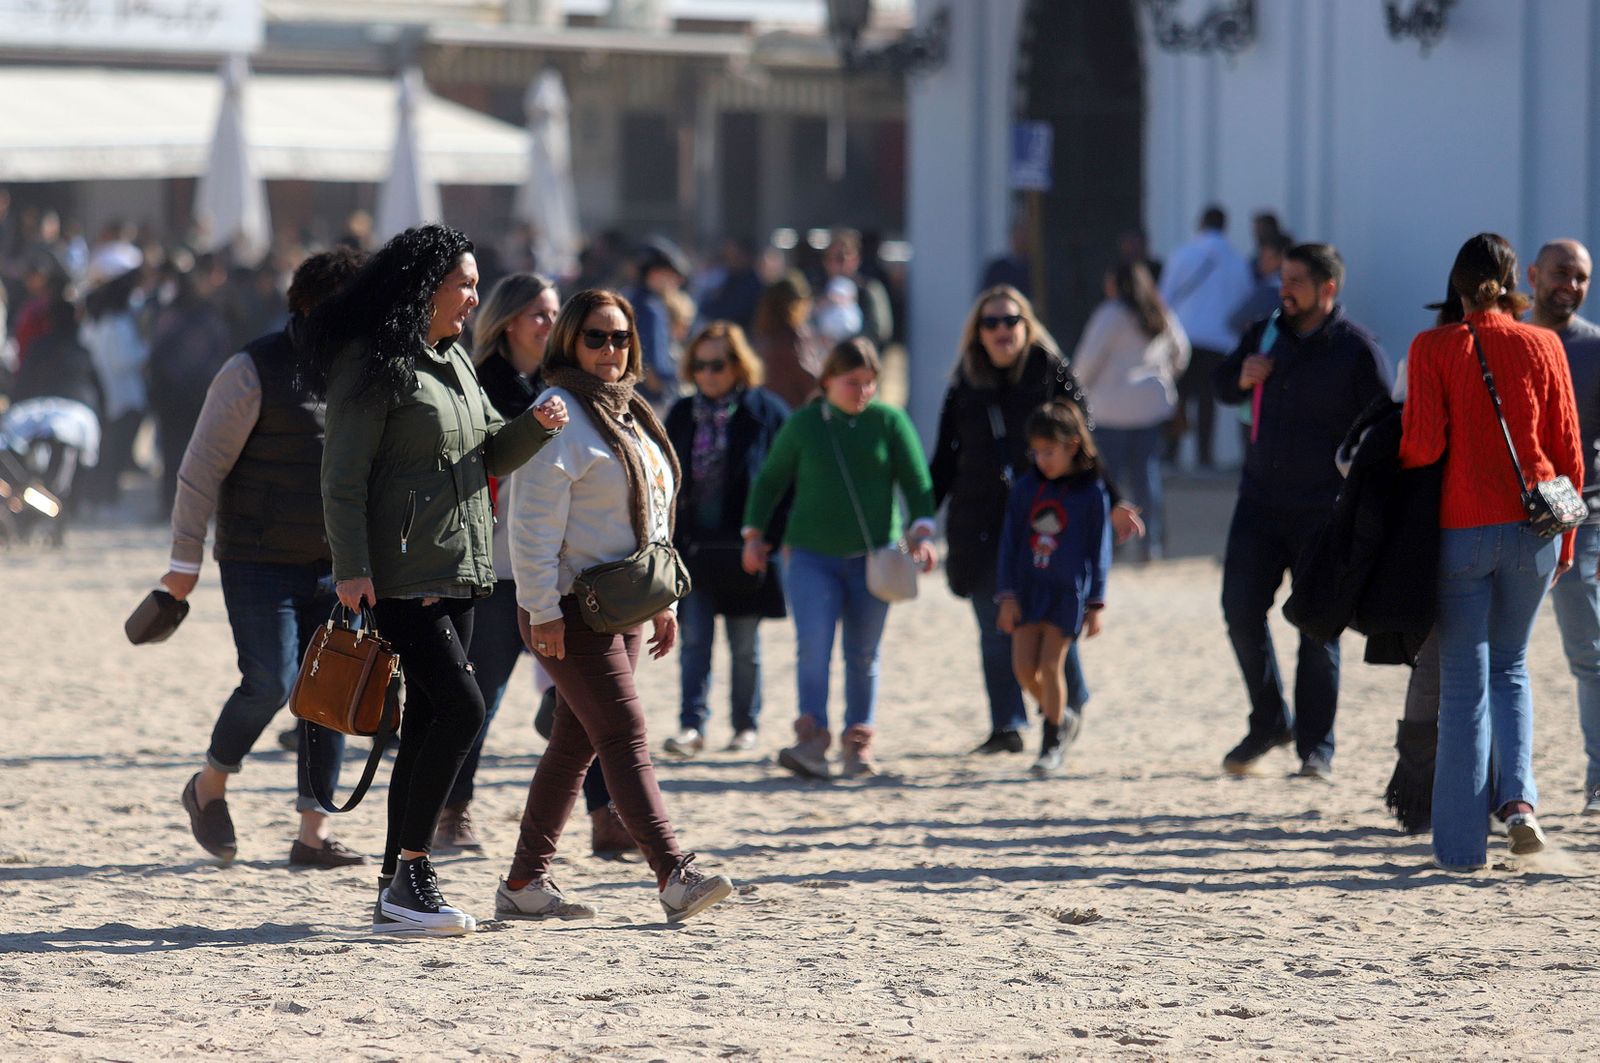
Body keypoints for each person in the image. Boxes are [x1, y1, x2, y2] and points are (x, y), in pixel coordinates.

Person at [305, 224, 569, 936]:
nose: (475, 297)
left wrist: (537, 424)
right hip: (398, 572)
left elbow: (490, 452)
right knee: (463, 708)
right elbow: (342, 478)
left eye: (479, 285)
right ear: (425, 287)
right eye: (465, 284)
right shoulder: (373, 363)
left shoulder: (455, 359)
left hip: (462, 567)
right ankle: (414, 869)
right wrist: (353, 567)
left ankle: (396, 883)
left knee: (426, 726)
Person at [502, 288, 735, 924]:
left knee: (576, 745)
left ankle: (524, 881)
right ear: (569, 342)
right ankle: (673, 872)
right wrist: (541, 609)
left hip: (624, 601)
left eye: (621, 337)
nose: (611, 349)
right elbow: (530, 526)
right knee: (624, 734)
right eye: (596, 338)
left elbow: (653, 513)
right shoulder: (556, 412)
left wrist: (662, 600)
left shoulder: (630, 411)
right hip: (570, 605)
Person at [166, 247, 369, 869]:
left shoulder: (365, 375)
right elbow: (199, 471)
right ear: (311, 305)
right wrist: (183, 562)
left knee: (331, 692)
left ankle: (312, 837)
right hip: (257, 559)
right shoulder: (252, 369)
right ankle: (208, 788)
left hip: (337, 566)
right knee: (272, 681)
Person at [1399, 232, 1583, 870]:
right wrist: (1568, 540)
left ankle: (1457, 848)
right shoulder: (1544, 344)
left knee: (1465, 688)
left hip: (1463, 529)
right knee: (1512, 669)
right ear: (1514, 282)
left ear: (1455, 283)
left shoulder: (1433, 346)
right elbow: (1568, 453)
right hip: (1536, 526)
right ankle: (1522, 804)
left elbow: (1420, 447)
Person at [930, 285, 1141, 755]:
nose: (1002, 330)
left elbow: (1084, 447)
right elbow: (943, 460)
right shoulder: (964, 383)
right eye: (991, 323)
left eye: (1011, 321)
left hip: (1050, 520)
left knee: (1050, 624)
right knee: (994, 625)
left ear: (1027, 326)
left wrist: (1114, 499)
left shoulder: (1053, 375)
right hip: (980, 522)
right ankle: (1007, 725)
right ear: (977, 333)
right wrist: (920, 521)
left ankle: (1070, 703)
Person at [1212, 243, 1391, 779]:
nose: (1283, 290)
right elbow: (1220, 386)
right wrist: (1242, 375)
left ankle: (1317, 749)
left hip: (1323, 511)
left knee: (1318, 629)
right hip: (1259, 502)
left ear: (1328, 289)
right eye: (1282, 279)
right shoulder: (1264, 333)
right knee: (1239, 610)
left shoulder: (1357, 350)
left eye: (1295, 281)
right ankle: (1269, 719)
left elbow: (1383, 429)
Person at [743, 337, 938, 779]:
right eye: (853, 383)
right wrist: (754, 534)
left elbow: (916, 483)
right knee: (813, 646)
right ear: (828, 380)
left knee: (864, 654)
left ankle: (858, 743)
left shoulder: (889, 421)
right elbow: (771, 481)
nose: (863, 392)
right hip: (811, 556)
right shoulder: (805, 424)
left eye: (870, 383)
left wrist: (923, 532)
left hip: (876, 558)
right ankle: (812, 738)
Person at [428, 271, 565, 854]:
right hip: (494, 568)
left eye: (556, 314)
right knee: (477, 701)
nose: (551, 326)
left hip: (558, 564)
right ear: (509, 322)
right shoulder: (482, 384)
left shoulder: (562, 385)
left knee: (590, 697)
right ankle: (453, 812)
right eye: (540, 314)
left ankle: (607, 813)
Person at [661, 321, 790, 758]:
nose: (709, 374)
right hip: (692, 548)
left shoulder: (765, 411)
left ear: (738, 365)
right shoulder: (680, 413)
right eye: (700, 365)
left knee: (744, 646)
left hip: (747, 547)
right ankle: (692, 727)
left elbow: (785, 480)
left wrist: (772, 537)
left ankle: (744, 726)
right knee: (693, 639)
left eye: (718, 364)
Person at [1525, 239, 1600, 815]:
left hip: (1575, 503)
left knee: (1589, 650)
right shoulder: (1506, 336)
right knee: (1498, 655)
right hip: (1505, 503)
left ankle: (1598, 779)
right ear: (1532, 274)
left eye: (1580, 278)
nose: (1569, 286)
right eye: (1559, 274)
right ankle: (1503, 789)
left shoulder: (1595, 348)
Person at [996, 401, 1112, 776]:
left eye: (1050, 451)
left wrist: (1096, 604)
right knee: (1023, 670)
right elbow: (1010, 543)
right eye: (1036, 451)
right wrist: (1007, 596)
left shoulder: (1091, 493)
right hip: (1028, 590)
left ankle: (1051, 745)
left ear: (1073, 445)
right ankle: (1060, 717)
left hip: (1067, 594)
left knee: (1050, 665)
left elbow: (1100, 551)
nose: (1042, 459)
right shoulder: (1026, 488)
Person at [1073, 262, 1189, 563]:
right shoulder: (1160, 312)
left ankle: (1111, 541)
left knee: (1109, 481)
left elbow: (1087, 361)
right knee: (1146, 478)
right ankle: (1150, 543)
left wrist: (1076, 393)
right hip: (1151, 409)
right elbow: (1181, 352)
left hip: (1111, 410)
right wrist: (1163, 379)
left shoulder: (1110, 315)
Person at [1160, 206, 1253, 469]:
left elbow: (1164, 298)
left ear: (1200, 223)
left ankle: (1172, 452)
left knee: (1178, 397)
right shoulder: (1237, 262)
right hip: (1220, 342)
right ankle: (1204, 456)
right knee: (1207, 401)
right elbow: (1244, 304)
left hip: (1184, 337)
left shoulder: (1182, 254)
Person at [148, 254, 231, 515]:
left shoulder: (168, 318)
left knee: (173, 454)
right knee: (203, 453)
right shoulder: (210, 318)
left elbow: (156, 356)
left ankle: (170, 505)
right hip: (201, 395)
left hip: (173, 397)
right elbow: (221, 355)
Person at [78, 266, 148, 510]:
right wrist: (146, 349)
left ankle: (99, 497)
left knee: (106, 452)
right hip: (123, 396)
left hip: (105, 395)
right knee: (113, 454)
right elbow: (123, 360)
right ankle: (104, 497)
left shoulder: (96, 323)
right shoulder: (119, 324)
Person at [750, 272, 822, 409]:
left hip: (767, 412)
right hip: (794, 415)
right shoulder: (794, 337)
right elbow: (811, 379)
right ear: (793, 305)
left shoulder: (762, 336)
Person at [820, 231, 893, 348]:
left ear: (856, 259)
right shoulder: (816, 290)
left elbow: (881, 331)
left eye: (844, 257)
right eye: (834, 258)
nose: (840, 264)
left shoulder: (869, 289)